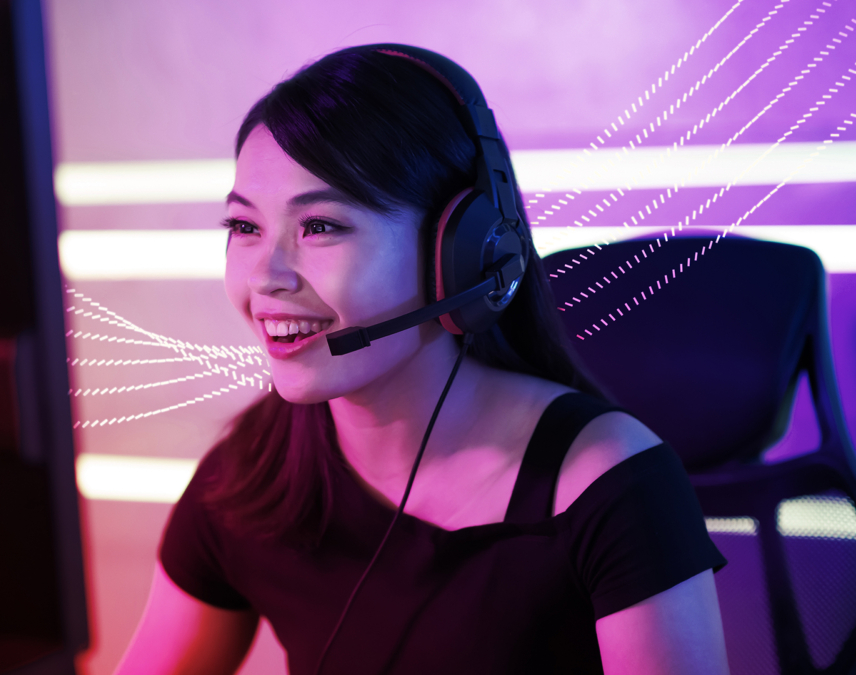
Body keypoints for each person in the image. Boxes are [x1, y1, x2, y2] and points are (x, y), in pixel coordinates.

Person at [117, 44, 729, 675]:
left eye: (320, 226)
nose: (267, 276)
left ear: (461, 253)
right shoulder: (253, 472)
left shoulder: (608, 485)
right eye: (244, 228)